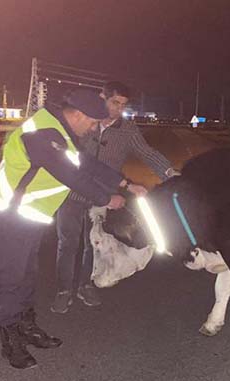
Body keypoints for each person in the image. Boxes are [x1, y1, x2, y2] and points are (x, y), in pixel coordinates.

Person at [0, 88, 146, 369]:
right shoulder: (42, 133)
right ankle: (10, 342)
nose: (94, 128)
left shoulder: (61, 135)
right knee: (9, 281)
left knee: (26, 277)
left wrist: (126, 184)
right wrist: (107, 199)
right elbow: (70, 175)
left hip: (27, 219)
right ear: (79, 115)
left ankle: (26, 327)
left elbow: (88, 165)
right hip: (6, 217)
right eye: (93, 122)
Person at [51, 81, 178, 313]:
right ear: (103, 97)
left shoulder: (127, 130)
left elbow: (147, 152)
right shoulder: (84, 122)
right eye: (115, 102)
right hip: (70, 194)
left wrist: (170, 173)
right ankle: (63, 290)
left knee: (94, 245)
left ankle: (85, 284)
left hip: (101, 199)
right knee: (67, 243)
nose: (118, 109)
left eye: (123, 104)